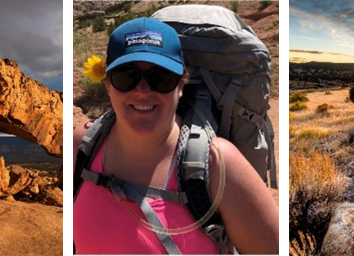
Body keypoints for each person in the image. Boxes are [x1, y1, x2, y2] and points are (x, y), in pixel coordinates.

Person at [73, 17, 279, 254]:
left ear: (181, 85)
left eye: (161, 78)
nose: (143, 91)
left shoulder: (217, 164)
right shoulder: (83, 145)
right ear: (107, 84)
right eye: (126, 77)